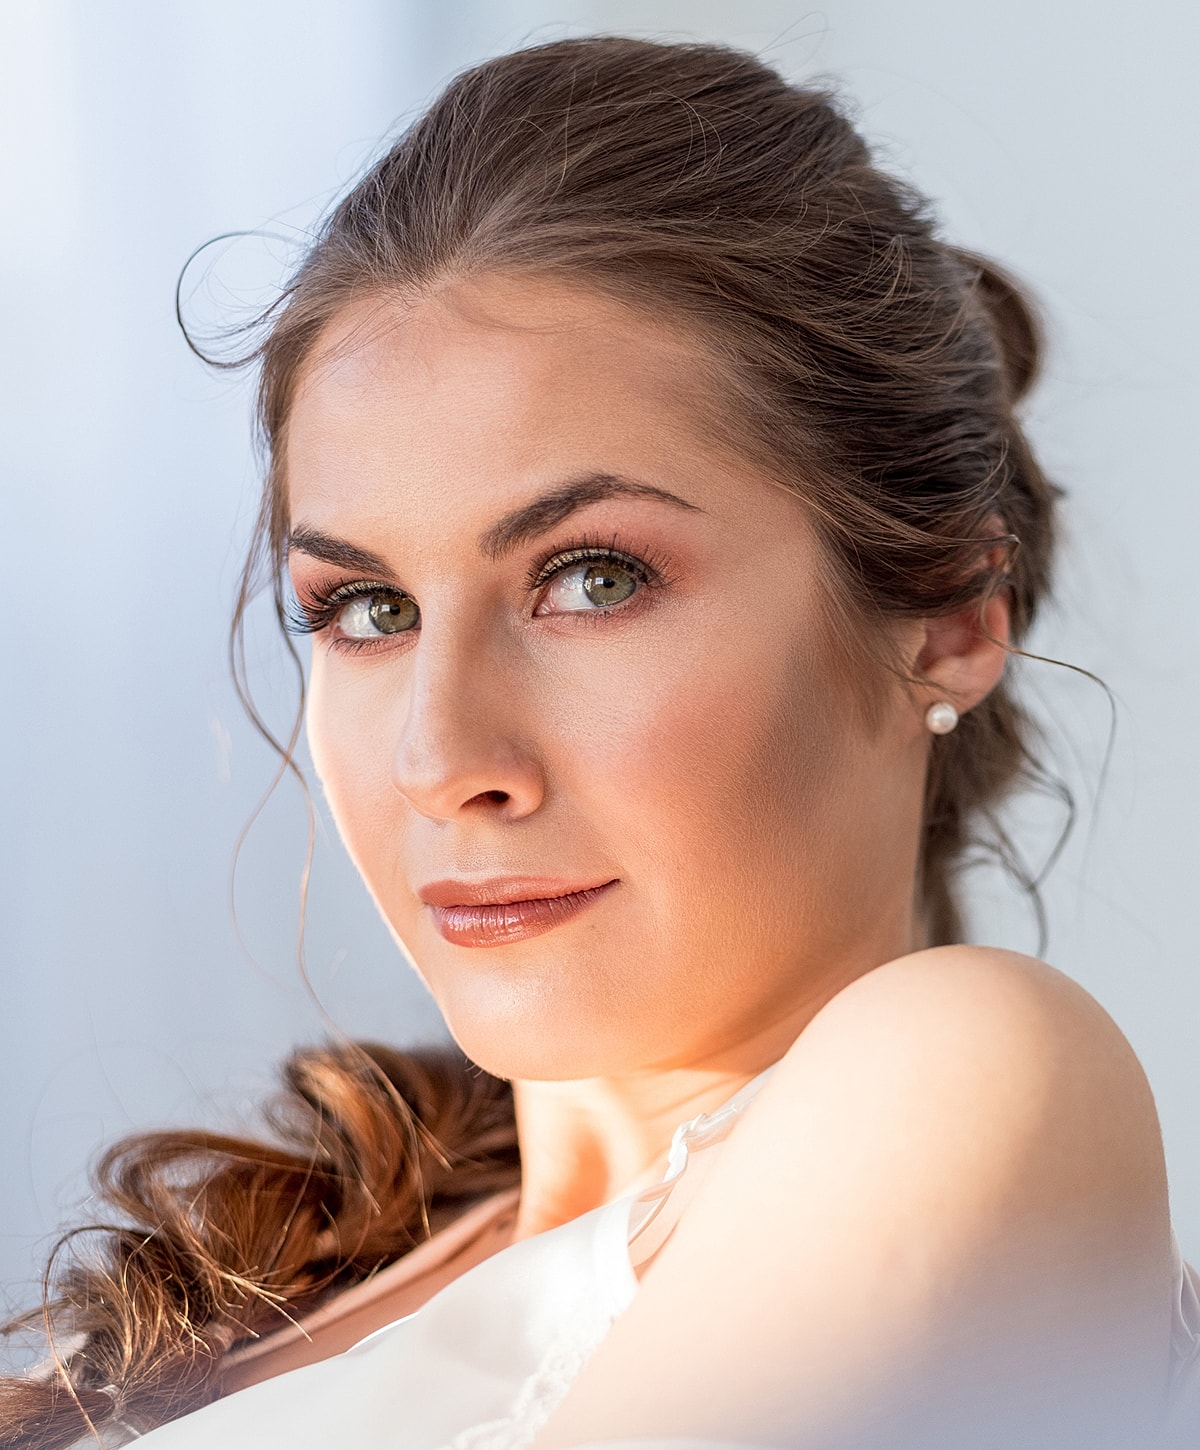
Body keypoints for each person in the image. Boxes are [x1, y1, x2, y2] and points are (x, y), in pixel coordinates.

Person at [3, 32, 1198, 1450]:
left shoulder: (978, 1070)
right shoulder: (265, 1293)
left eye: (592, 579)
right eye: (369, 607)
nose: (442, 756)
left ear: (948, 613)